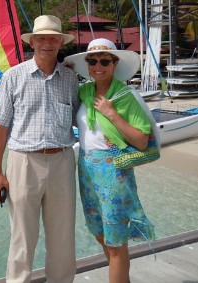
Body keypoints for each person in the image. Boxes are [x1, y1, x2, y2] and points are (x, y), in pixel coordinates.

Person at [0, 15, 79, 283]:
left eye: (53, 38)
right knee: (22, 237)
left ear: (60, 43)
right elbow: (1, 127)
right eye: (42, 38)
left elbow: (82, 120)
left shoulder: (71, 79)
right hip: (23, 163)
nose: (47, 43)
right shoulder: (13, 77)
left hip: (63, 161)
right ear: (33, 42)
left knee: (63, 237)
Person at [64, 38, 156, 283]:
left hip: (114, 172)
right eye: (92, 61)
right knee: (100, 234)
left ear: (114, 64)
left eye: (105, 60)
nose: (98, 65)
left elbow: (142, 140)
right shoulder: (84, 92)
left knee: (115, 242)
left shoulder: (126, 96)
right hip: (86, 170)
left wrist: (112, 114)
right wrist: (67, 73)